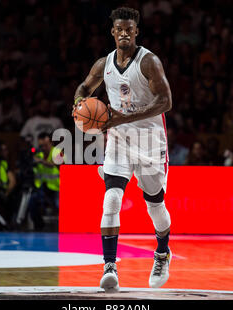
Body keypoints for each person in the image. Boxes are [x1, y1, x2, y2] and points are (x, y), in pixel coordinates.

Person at [72, 7, 172, 292]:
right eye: (120, 29)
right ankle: (109, 266)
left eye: (130, 29)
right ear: (113, 33)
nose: (125, 33)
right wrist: (78, 103)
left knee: (155, 205)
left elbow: (166, 102)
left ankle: (163, 253)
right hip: (118, 141)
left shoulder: (149, 62)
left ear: (136, 31)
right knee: (111, 200)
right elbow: (84, 86)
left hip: (151, 142)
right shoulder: (103, 64)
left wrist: (123, 118)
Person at [28, 132, 64, 230]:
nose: (43, 148)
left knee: (58, 205)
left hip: (57, 187)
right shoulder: (38, 154)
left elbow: (55, 164)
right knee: (32, 201)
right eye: (41, 146)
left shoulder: (57, 152)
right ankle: (39, 226)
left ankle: (64, 228)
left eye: (45, 145)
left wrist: (40, 161)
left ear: (51, 143)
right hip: (42, 187)